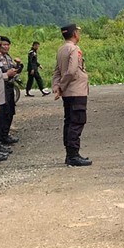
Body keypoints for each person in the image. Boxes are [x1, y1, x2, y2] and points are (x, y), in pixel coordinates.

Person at [52, 23, 92, 167]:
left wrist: (57, 86)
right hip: (76, 91)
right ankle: (73, 155)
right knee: (77, 121)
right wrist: (61, 86)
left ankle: (70, 154)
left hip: (68, 93)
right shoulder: (74, 49)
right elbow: (71, 71)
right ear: (75, 34)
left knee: (69, 122)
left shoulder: (61, 49)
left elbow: (57, 71)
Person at [0, 36, 22, 146]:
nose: (6, 47)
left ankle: (5, 135)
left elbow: (14, 70)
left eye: (7, 44)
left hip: (10, 86)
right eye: (4, 44)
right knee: (3, 113)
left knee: (10, 111)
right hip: (2, 87)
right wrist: (8, 73)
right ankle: (1, 137)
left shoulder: (8, 57)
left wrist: (19, 65)